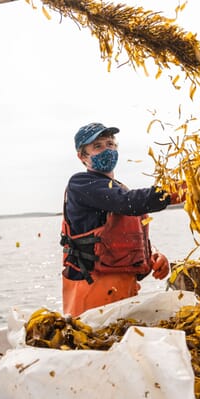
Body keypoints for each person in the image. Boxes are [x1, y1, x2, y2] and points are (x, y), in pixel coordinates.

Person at [60, 122, 185, 317]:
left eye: (110, 144)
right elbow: (130, 202)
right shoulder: (81, 184)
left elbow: (127, 234)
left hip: (125, 290)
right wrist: (174, 191)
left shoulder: (119, 189)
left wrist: (153, 257)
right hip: (92, 292)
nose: (107, 150)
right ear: (83, 157)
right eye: (98, 146)